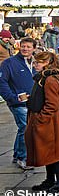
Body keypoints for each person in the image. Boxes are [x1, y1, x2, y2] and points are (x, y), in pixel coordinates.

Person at [25, 51, 59, 192]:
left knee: (54, 153)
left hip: (50, 123)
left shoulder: (50, 79)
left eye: (38, 62)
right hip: (48, 122)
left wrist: (40, 119)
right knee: (48, 153)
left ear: (47, 63)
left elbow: (52, 104)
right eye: (35, 62)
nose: (35, 64)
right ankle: (51, 180)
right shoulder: (46, 77)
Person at [0, 37, 37, 170]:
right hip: (18, 103)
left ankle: (17, 154)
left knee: (23, 128)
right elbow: (2, 82)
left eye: (28, 47)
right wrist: (12, 98)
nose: (25, 49)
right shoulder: (9, 63)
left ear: (33, 48)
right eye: (23, 46)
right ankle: (23, 158)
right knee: (26, 128)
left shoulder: (35, 62)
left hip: (33, 102)